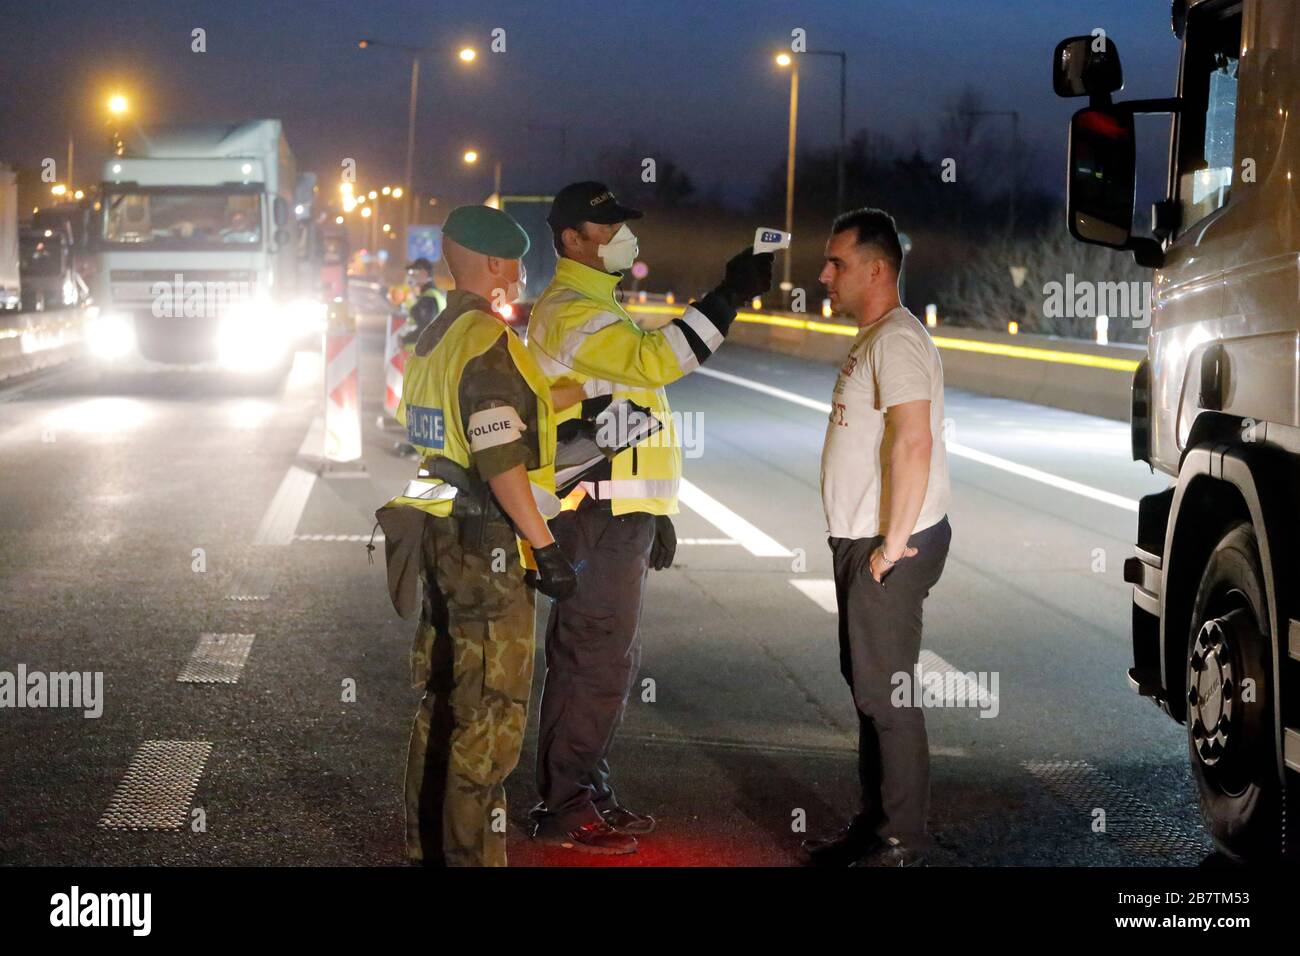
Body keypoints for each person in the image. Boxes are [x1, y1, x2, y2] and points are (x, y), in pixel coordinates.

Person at [525, 181, 773, 854]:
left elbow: (624, 415)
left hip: (616, 511)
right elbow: (659, 362)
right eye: (607, 228)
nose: (623, 237)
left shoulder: (602, 308)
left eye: (622, 225)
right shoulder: (573, 311)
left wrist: (653, 503)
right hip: (593, 519)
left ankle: (587, 791)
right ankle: (565, 806)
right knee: (592, 663)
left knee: (605, 662)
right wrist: (728, 297)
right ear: (571, 238)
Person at [375, 204, 578, 867]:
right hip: (489, 551)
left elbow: (454, 445)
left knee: (444, 705)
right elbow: (498, 457)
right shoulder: (487, 341)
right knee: (491, 716)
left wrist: (567, 402)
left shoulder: (436, 338)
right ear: (493, 265)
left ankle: (424, 848)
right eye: (515, 263)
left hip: (442, 536)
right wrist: (543, 546)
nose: (520, 275)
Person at [801, 208, 952, 868]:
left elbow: (914, 442)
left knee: (887, 696)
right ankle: (875, 827)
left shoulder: (896, 340)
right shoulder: (874, 336)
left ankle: (901, 844)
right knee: (870, 690)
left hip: (889, 544)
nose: (824, 274)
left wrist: (890, 547)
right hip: (863, 539)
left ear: (876, 268)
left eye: (836, 263)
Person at [401, 257, 446, 347]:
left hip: (423, 352)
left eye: (413, 273)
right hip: (429, 351)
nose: (410, 276)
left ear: (423, 273)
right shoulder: (434, 294)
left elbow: (426, 330)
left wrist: (405, 340)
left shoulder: (429, 298)